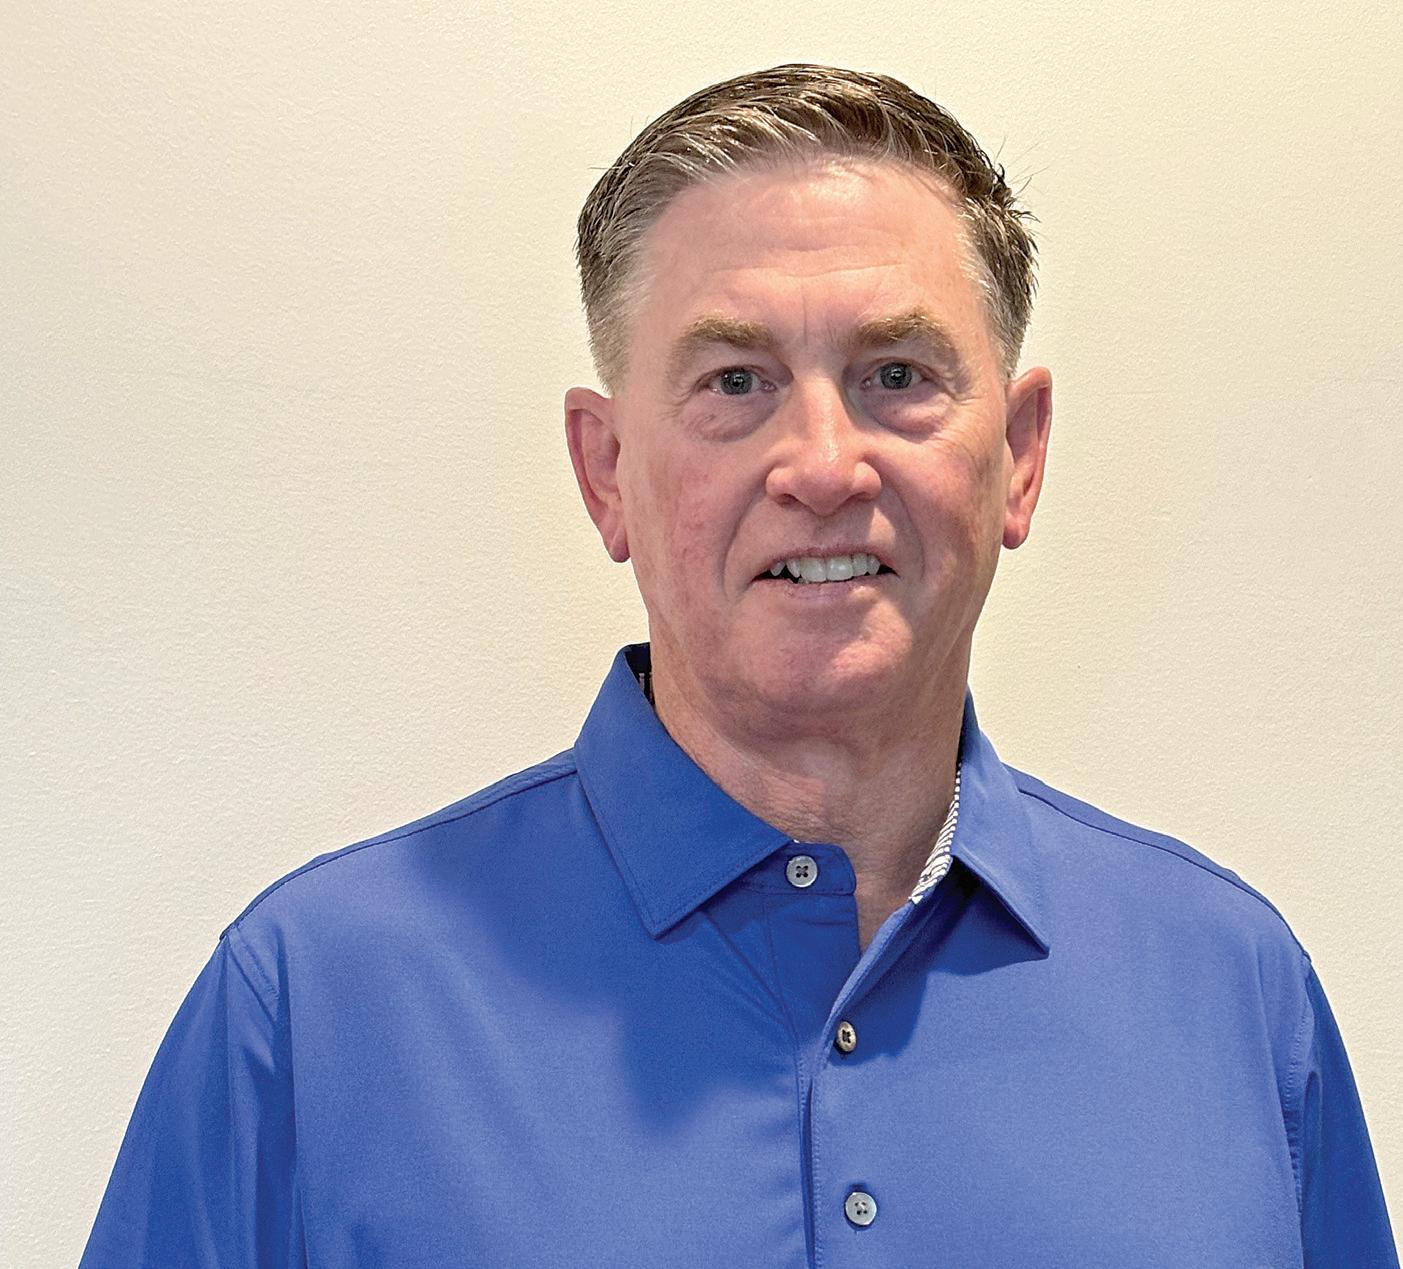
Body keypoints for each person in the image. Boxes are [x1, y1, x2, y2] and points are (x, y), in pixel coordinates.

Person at [80, 64, 1396, 1267]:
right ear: (607, 472)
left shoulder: (1237, 994)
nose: (822, 465)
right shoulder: (308, 1011)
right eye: (733, 382)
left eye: (896, 374)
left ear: (1022, 453)